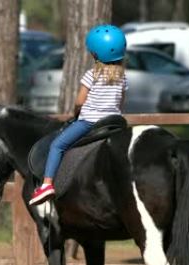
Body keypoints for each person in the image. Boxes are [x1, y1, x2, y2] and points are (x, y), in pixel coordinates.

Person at [29, 24, 127, 205]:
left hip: (90, 122)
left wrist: (76, 113)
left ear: (95, 54)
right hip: (113, 122)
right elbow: (121, 102)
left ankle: (47, 185)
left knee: (57, 145)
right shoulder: (122, 77)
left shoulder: (91, 75)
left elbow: (80, 101)